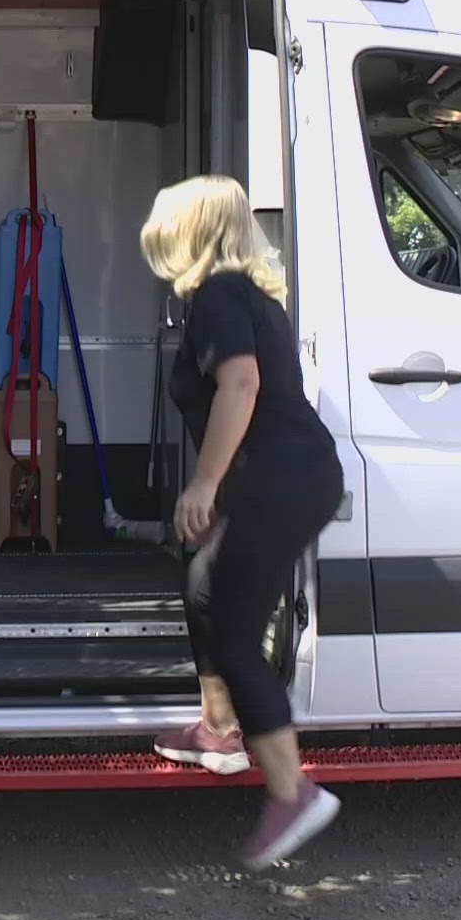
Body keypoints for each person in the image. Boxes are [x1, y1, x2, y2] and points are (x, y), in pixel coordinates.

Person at [138, 175, 346, 870]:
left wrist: (203, 483)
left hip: (281, 481)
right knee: (202, 582)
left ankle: (294, 793)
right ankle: (220, 731)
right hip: (283, 476)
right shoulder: (242, 293)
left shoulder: (221, 294)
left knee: (232, 629)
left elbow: (243, 385)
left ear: (190, 232)